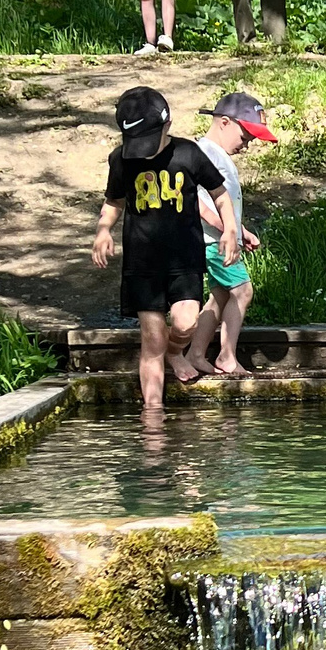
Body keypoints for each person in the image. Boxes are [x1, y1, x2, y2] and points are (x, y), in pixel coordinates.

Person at [92, 85, 232, 413]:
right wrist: (103, 230)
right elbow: (114, 201)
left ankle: (175, 351)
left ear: (167, 125)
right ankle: (153, 416)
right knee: (152, 337)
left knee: (185, 323)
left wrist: (230, 230)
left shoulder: (188, 154)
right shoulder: (121, 159)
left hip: (185, 258)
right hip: (142, 262)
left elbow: (220, 194)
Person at [174, 91, 274, 382]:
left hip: (221, 238)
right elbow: (196, 202)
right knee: (242, 291)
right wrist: (227, 231)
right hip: (213, 241)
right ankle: (226, 356)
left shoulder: (218, 156)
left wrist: (241, 231)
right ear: (225, 122)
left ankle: (196, 353)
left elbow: (224, 203)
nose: (247, 145)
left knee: (219, 296)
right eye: (245, 137)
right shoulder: (203, 153)